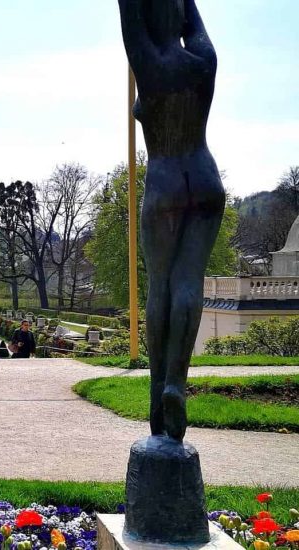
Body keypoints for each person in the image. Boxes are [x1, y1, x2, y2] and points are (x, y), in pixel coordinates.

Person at [119, 0, 224, 441]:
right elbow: (192, 19)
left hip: (164, 181)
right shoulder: (202, 59)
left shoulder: (149, 65)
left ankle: (156, 393)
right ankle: (175, 383)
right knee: (188, 283)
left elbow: (129, 18)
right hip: (204, 177)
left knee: (160, 287)